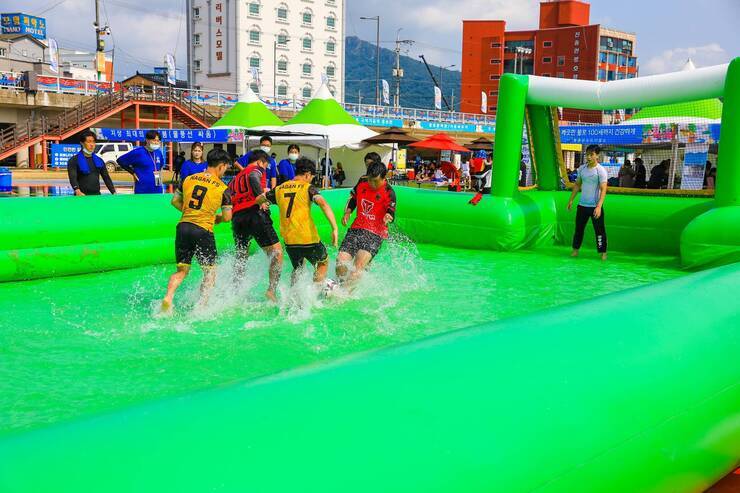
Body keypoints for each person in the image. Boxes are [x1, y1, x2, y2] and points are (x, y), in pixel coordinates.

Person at [161, 148, 233, 312]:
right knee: (210, 272)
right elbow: (228, 217)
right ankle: (201, 307)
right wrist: (216, 218)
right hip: (203, 230)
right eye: (226, 167)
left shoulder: (188, 179)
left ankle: (169, 296)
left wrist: (191, 213)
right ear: (221, 166)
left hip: (183, 227)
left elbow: (175, 201)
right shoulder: (223, 188)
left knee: (181, 271)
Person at [257, 158, 338, 285]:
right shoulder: (308, 188)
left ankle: (294, 296)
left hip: (290, 241)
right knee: (323, 263)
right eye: (311, 177)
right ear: (307, 174)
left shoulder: (279, 188)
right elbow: (322, 203)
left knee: (298, 268)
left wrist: (264, 202)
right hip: (308, 238)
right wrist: (334, 228)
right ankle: (314, 295)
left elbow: (259, 199)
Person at [228, 149, 283, 302]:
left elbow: (227, 195)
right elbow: (253, 177)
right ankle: (271, 291)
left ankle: (235, 290)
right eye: (265, 166)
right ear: (260, 162)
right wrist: (261, 198)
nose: (264, 170)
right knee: (277, 253)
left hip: (237, 218)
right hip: (254, 214)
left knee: (241, 256)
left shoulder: (235, 179)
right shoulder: (255, 169)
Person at [336, 161, 396, 286]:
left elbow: (391, 211)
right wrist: (348, 212)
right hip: (356, 229)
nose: (372, 184)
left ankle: (344, 295)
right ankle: (339, 285)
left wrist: (388, 216)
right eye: (370, 180)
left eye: (376, 181)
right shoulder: (362, 183)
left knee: (357, 268)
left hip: (375, 234)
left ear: (384, 178)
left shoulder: (389, 192)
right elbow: (353, 199)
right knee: (340, 262)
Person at [567, 144, 608, 261]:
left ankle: (603, 252)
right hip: (582, 206)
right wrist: (571, 200)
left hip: (595, 207)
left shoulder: (600, 171)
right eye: (587, 154)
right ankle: (575, 250)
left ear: (597, 156)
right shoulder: (582, 169)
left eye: (591, 155)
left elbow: (603, 189)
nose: (589, 157)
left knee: (599, 231)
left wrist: (599, 206)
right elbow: (577, 185)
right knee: (578, 229)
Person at [67, 130, 116, 196]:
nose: (92, 144)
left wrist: (113, 192)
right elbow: (73, 178)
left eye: (93, 142)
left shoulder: (99, 160)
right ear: (82, 143)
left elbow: (106, 178)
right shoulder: (74, 160)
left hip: (96, 196)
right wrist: (77, 190)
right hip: (81, 197)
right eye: (89, 142)